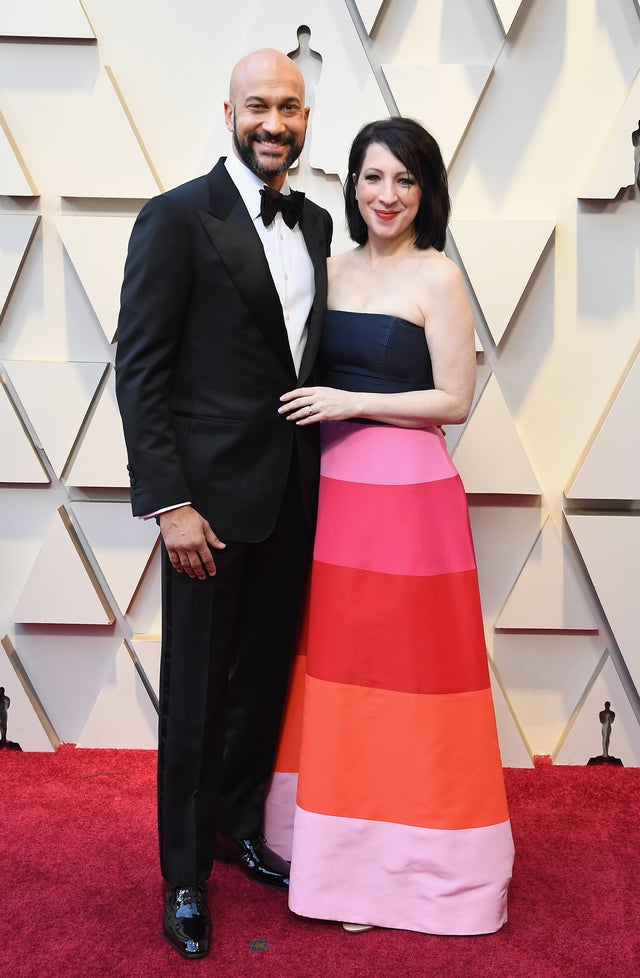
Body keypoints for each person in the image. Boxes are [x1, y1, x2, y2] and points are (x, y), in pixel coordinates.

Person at [115, 48, 332, 959]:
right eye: (258, 107)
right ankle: (182, 877)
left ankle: (240, 829)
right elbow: (141, 367)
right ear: (230, 112)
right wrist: (169, 502)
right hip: (203, 509)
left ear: (306, 116)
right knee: (197, 694)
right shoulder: (175, 217)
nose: (273, 123)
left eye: (289, 107)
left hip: (291, 497)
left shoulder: (318, 223)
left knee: (260, 684)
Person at [275, 117, 514, 935]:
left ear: (426, 193)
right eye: (374, 178)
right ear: (350, 185)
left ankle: (410, 873)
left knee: (407, 688)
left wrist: (352, 402)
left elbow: (454, 400)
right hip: (329, 496)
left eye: (405, 181)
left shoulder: (439, 277)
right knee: (337, 681)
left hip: (408, 506)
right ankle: (333, 860)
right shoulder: (326, 267)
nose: (388, 195)